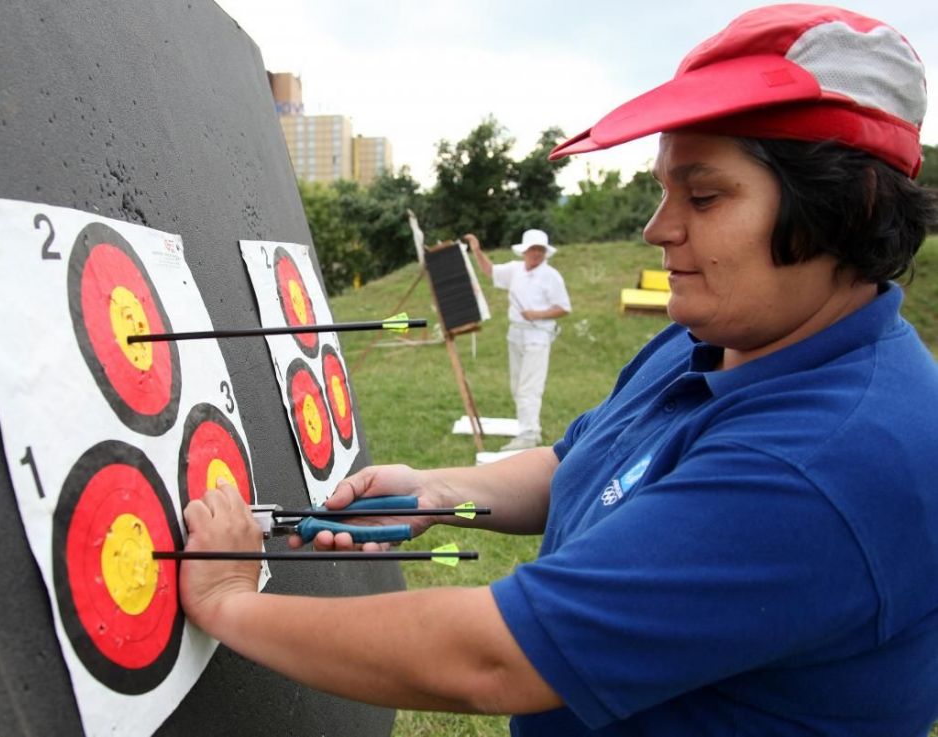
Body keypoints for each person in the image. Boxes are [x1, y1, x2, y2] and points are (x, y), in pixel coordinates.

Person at [178, 5, 938, 735]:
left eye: (703, 195)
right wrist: (446, 493)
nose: (657, 228)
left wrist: (229, 600)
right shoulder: (719, 335)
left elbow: (495, 656)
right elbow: (583, 461)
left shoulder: (824, 460)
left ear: (849, 204)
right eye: (663, 189)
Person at [462, 229, 571, 451]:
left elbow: (563, 308)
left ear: (545, 252)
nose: (536, 254)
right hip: (516, 333)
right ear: (525, 250)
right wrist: (476, 250)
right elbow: (490, 271)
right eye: (533, 249)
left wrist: (536, 314)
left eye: (540, 250)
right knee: (516, 385)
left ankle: (530, 433)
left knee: (529, 386)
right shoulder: (514, 270)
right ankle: (527, 427)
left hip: (538, 334)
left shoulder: (551, 276)